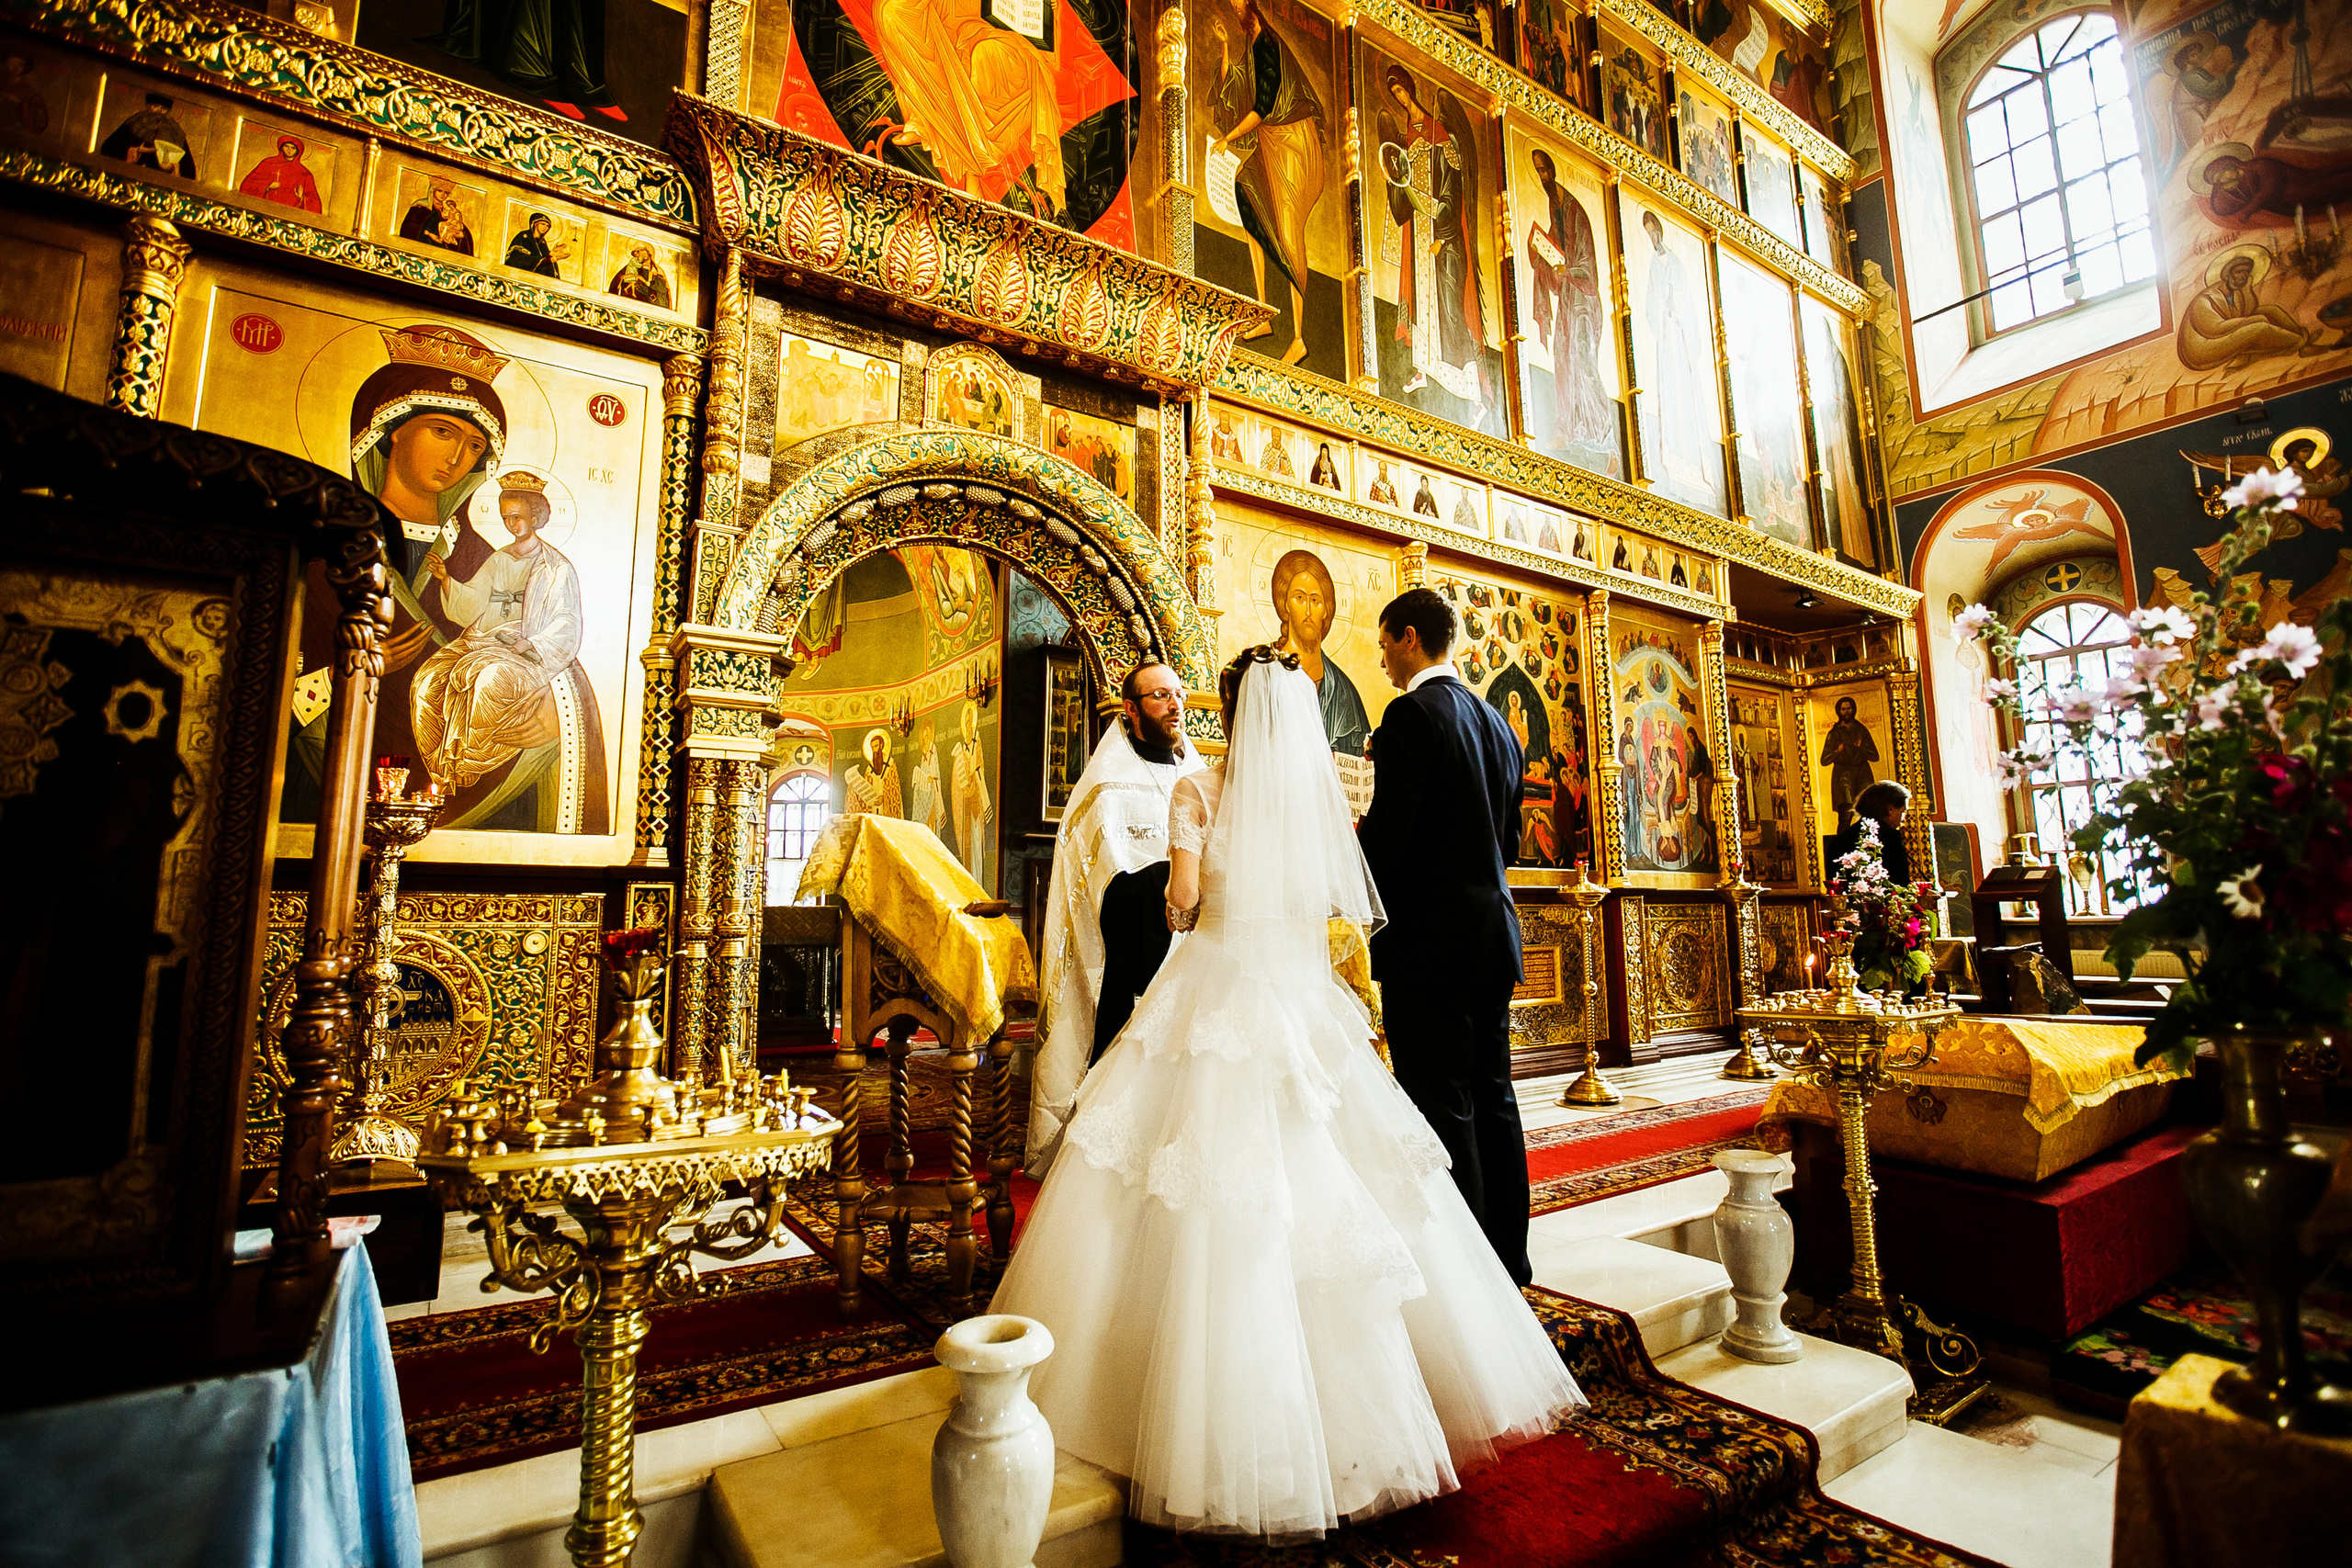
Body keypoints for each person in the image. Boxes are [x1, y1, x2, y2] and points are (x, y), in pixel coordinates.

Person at [993, 647, 1581, 1540]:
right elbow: (1326, 907)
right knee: (1337, 1172)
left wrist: (1182, 897)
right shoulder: (1314, 803)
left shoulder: (1197, 792)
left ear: (1227, 714)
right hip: (1305, 1004)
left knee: (1184, 1181)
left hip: (1216, 992)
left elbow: (1181, 906)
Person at [1356, 588, 1533, 1285]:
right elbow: (1509, 841)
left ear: (1408, 637)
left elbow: (1390, 840)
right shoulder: (1499, 725)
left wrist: (1348, 852)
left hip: (1430, 943)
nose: (1382, 659)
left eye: (1384, 644)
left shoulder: (1411, 715)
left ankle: (1468, 1278)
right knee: (1495, 1093)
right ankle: (1509, 1257)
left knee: (1441, 1098)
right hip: (1493, 934)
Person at [1025, 662, 1204, 1173]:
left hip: (1194, 957)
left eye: (1179, 696)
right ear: (1130, 709)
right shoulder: (1104, 786)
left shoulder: (1195, 776)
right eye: (1160, 697)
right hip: (1128, 966)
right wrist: (1173, 883)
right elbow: (1110, 895)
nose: (1174, 707)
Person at [1827, 778, 1911, 886]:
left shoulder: (1839, 840)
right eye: (1902, 812)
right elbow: (1900, 881)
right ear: (1890, 810)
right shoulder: (1890, 837)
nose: (1903, 820)